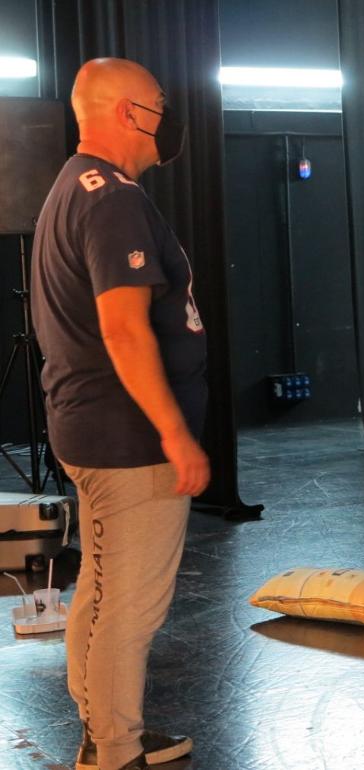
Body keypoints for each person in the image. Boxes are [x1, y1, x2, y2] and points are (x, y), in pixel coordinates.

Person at [31, 58, 209, 770]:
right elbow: (124, 330)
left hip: (97, 427)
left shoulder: (81, 186)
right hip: (126, 439)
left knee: (98, 593)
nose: (169, 116)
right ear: (128, 112)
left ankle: (107, 731)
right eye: (160, 103)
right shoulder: (110, 199)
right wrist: (172, 432)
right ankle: (113, 751)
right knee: (126, 611)